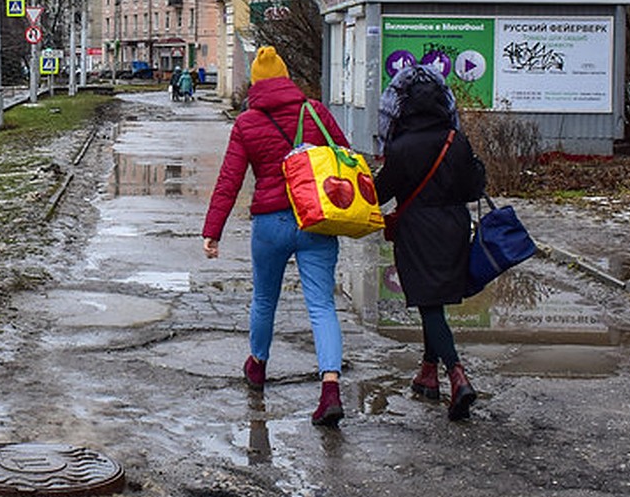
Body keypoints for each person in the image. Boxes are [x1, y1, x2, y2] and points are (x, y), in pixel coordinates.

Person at [202, 46, 352, 427]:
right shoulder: (315, 111)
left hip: (270, 224)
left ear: (255, 83)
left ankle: (257, 365)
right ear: (286, 78)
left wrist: (212, 232)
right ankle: (330, 387)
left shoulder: (247, 123)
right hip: (315, 220)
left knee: (264, 298)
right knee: (321, 305)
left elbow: (229, 180)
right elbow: (345, 156)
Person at [374, 64, 487, 421]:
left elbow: (380, 193)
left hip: (417, 229)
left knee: (430, 305)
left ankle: (457, 375)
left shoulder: (401, 146)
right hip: (454, 226)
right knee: (433, 300)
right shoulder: (456, 139)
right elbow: (473, 187)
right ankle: (428, 374)